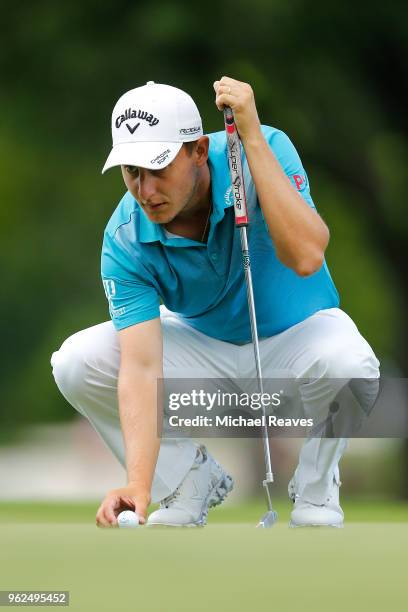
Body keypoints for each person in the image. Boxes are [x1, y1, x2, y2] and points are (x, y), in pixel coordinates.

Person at [51, 77, 380, 528]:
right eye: (132, 172)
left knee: (352, 364)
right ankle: (186, 482)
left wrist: (253, 140)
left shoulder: (262, 147)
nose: (145, 191)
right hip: (204, 352)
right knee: (77, 361)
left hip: (297, 341)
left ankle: (316, 490)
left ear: (199, 151)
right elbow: (142, 367)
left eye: (158, 168)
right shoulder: (125, 237)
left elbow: (306, 256)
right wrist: (139, 483)